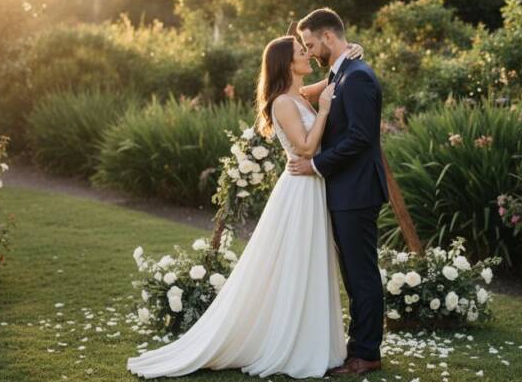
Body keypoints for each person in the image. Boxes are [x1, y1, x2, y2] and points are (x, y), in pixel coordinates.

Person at [126, 35, 364, 379]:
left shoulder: (298, 94)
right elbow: (308, 149)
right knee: (295, 262)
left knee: (309, 262)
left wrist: (351, 53)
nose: (308, 55)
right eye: (301, 52)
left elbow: (330, 81)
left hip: (312, 188)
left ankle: (310, 340)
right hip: (299, 189)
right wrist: (325, 110)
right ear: (287, 63)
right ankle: (290, 342)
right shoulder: (283, 102)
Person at [288, 8, 389, 376]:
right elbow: (302, 92)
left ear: (329, 37)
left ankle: (366, 353)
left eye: (312, 43)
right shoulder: (343, 72)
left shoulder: (358, 77)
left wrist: (315, 165)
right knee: (353, 272)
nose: (310, 51)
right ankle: (358, 348)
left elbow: (361, 138)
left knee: (361, 274)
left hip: (357, 192)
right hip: (346, 191)